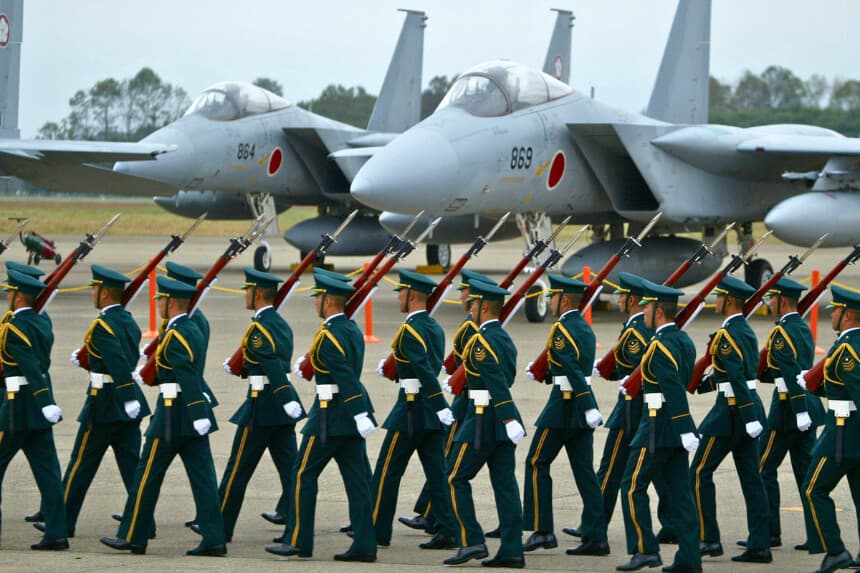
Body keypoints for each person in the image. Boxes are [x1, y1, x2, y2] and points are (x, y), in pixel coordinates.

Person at [100, 276, 225, 556]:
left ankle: (133, 535)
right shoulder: (190, 327)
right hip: (191, 415)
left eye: (160, 300)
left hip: (173, 415)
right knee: (203, 479)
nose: (158, 305)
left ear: (170, 302)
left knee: (146, 475)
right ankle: (214, 538)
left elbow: (187, 375)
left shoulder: (178, 333)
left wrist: (194, 409)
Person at [266, 270, 377, 562]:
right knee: (358, 482)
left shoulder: (329, 335)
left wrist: (358, 412)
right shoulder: (350, 329)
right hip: (348, 418)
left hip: (331, 417)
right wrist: (360, 414)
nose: (315, 302)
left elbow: (344, 378)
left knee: (302, 474)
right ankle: (365, 544)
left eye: (318, 298)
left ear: (328, 301)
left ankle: (299, 540)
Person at [194, 269, 304, 542]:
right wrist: (242, 370)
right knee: (291, 472)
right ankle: (295, 526)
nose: (244, 294)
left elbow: (273, 366)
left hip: (263, 408)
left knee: (237, 470)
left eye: (247, 290)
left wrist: (286, 397)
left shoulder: (259, 329)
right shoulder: (280, 323)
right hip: (279, 410)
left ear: (257, 294)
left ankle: (219, 527)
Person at [47, 265, 151, 539]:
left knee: (80, 464)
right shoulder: (128, 321)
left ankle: (62, 524)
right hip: (126, 405)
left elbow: (116, 363)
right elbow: (115, 361)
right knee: (131, 467)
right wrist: (89, 363)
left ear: (104, 293)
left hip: (105, 404)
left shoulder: (103, 326)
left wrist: (126, 394)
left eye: (95, 289)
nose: (92, 293)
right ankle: (144, 521)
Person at [368, 270, 458, 549]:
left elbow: (423, 371)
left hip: (410, 411)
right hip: (429, 412)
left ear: (411, 295)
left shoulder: (409, 330)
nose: (398, 297)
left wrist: (439, 404)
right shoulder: (434, 327)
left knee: (387, 470)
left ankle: (375, 529)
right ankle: (448, 528)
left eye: (401, 292)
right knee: (437, 473)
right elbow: (427, 365)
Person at [400, 269, 494, 536]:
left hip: (466, 404)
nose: (462, 295)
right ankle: (431, 514)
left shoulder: (471, 326)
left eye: (465, 291)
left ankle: (441, 520)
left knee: (448, 462)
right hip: (465, 400)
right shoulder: (470, 324)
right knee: (445, 459)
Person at [521, 274, 609, 556]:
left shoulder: (562, 329)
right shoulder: (584, 328)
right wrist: (545, 374)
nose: (551, 301)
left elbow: (570, 367)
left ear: (565, 299)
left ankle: (542, 530)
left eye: (554, 297)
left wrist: (587, 404)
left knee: (536, 461)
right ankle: (596, 536)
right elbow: (569, 364)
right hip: (580, 410)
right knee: (585, 474)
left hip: (563, 408)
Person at [617, 279, 700, 573]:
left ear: (659, 312)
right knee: (682, 495)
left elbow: (673, 388)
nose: (644, 312)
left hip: (657, 428)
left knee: (631, 486)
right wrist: (686, 430)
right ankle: (690, 558)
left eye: (647, 308)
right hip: (674, 431)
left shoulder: (659, 346)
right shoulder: (684, 341)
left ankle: (645, 549)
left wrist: (684, 426)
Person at [443, 279, 526, 568]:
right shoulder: (504, 338)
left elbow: (496, 381)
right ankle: (512, 550)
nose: (470, 306)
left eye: (474, 303)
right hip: (500, 420)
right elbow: (510, 376)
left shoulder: (481, 341)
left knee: (454, 477)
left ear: (485, 306)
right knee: (505, 485)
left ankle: (471, 541)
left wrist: (508, 417)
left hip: (484, 420)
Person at [690, 276, 772, 564]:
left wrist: (747, 415)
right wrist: (704, 384)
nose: (716, 300)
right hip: (746, 408)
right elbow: (734, 374)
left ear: (729, 301)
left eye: (720, 296)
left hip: (730, 413)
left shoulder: (727, 335)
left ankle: (708, 539)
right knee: (752, 479)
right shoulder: (743, 330)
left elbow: (737, 377)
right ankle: (760, 544)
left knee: (699, 472)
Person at [753, 277, 823, 551]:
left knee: (762, 469)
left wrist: (798, 409)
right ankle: (817, 537)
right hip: (806, 407)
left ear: (782, 301)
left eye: (772, 299)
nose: (769, 304)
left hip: (787, 411)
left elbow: (791, 372)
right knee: (806, 475)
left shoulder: (782, 333)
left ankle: (769, 534)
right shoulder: (801, 327)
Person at [0, 269, 68, 550]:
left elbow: (29, 368)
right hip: (38, 411)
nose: (7, 296)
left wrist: (44, 401)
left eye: (10, 292)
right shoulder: (42, 319)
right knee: (48, 473)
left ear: (18, 296)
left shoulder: (14, 329)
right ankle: (56, 533)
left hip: (16, 409)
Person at [800, 285, 860, 573]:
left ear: (847, 315)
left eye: (835, 310)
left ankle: (835, 551)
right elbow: (845, 387)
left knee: (813, 489)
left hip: (843, 433)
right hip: (850, 431)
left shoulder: (848, 349)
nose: (831, 315)